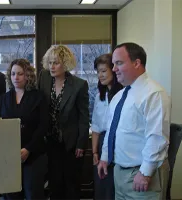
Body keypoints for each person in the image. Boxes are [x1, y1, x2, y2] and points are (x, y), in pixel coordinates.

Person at [98, 42, 170, 200]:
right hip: (119, 172)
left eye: (119, 63)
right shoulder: (119, 97)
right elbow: (111, 130)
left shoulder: (154, 93)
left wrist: (145, 172)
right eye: (114, 64)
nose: (114, 69)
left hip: (142, 175)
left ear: (137, 63)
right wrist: (104, 157)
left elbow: (157, 137)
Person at [38, 45, 90, 200]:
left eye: (56, 63)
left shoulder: (79, 85)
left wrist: (81, 144)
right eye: (50, 62)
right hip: (49, 141)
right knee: (54, 183)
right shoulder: (44, 77)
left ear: (66, 64)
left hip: (70, 143)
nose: (52, 67)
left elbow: (83, 116)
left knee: (71, 183)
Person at [0, 59, 48, 200]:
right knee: (11, 195)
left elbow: (43, 125)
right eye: (13, 74)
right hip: (9, 155)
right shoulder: (3, 99)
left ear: (28, 76)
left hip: (34, 154)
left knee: (33, 194)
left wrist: (28, 149)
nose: (16, 77)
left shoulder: (38, 97)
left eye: (20, 74)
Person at [91, 53, 123, 200]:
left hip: (119, 143)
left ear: (114, 70)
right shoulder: (99, 96)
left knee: (114, 186)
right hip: (102, 141)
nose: (100, 75)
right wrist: (94, 152)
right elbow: (96, 126)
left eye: (104, 71)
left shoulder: (124, 94)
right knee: (101, 185)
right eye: (98, 72)